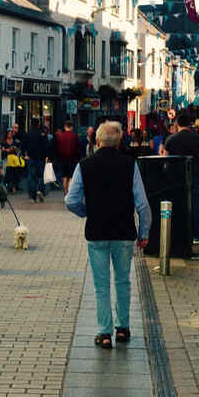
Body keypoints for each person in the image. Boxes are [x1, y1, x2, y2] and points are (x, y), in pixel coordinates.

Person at [66, 121, 152, 349]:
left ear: (97, 141)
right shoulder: (129, 164)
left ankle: (104, 333)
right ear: (119, 141)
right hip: (124, 232)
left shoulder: (85, 165)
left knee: (101, 284)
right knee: (123, 281)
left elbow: (71, 200)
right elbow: (142, 204)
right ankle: (123, 328)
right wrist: (144, 232)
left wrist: (87, 212)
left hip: (97, 232)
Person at [164, 119, 199, 242]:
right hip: (193, 175)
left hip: (176, 177)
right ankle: (196, 235)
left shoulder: (171, 139)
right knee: (194, 205)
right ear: (189, 125)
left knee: (177, 204)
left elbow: (165, 159)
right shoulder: (197, 138)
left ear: (177, 125)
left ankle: (179, 234)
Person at [23, 119, 51, 202]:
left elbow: (23, 146)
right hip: (41, 158)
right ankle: (40, 190)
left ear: (31, 124)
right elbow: (47, 146)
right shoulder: (43, 134)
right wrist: (47, 156)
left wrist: (25, 155)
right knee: (41, 176)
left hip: (31, 158)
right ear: (38, 124)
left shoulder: (28, 134)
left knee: (31, 177)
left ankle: (32, 196)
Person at [54, 121, 81, 194]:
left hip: (63, 159)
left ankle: (65, 192)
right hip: (73, 159)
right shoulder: (75, 136)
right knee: (71, 176)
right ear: (71, 127)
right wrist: (78, 158)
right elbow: (78, 148)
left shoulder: (60, 136)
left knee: (64, 176)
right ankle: (70, 191)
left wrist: (58, 158)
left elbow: (57, 148)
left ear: (65, 127)